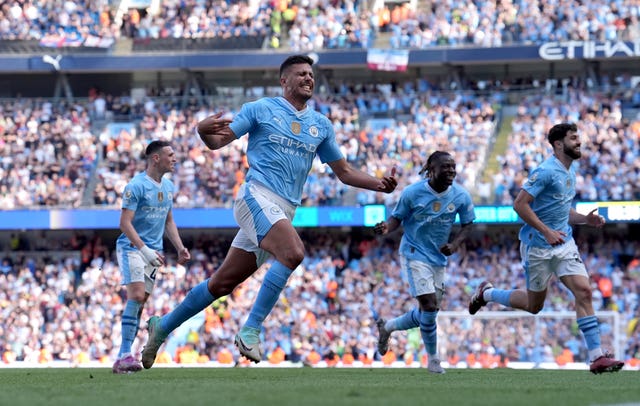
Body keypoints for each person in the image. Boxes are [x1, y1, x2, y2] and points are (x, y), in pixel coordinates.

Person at [141, 54, 397, 368]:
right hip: (256, 196)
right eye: (301, 74)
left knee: (221, 284)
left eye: (311, 75)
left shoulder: (320, 125)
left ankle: (162, 327)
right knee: (293, 252)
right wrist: (202, 130)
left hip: (283, 211)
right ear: (284, 80)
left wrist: (379, 185)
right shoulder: (261, 109)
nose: (308, 79)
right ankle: (251, 330)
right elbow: (217, 141)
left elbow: (343, 172)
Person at [468, 123, 624, 374]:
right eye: (574, 138)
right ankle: (487, 293)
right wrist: (546, 231)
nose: (579, 142)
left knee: (584, 291)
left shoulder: (569, 172)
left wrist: (586, 219)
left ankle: (596, 356)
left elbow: (563, 212)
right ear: (559, 144)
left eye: (578, 137)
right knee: (534, 306)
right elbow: (519, 205)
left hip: (563, 243)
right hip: (537, 246)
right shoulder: (546, 171)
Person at [374, 151, 475, 374]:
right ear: (431, 169)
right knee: (429, 306)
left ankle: (388, 327)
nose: (451, 171)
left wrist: (455, 245)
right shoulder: (412, 193)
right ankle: (434, 360)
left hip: (438, 258)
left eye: (453, 166)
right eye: (445, 167)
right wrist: (386, 228)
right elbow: (396, 218)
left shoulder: (461, 196)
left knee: (428, 313)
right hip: (413, 252)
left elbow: (468, 224)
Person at [112, 140, 191, 374]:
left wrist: (179, 247)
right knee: (135, 295)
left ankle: (124, 356)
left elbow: (168, 220)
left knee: (139, 304)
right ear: (156, 158)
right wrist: (144, 249)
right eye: (170, 154)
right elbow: (124, 223)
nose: (175, 158)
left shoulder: (168, 187)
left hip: (153, 253)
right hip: (132, 247)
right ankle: (125, 354)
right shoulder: (135, 186)